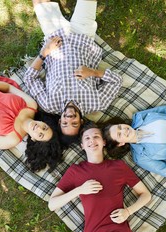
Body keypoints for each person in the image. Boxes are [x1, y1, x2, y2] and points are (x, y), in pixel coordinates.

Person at [24, 0, 122, 145]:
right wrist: (93, 72)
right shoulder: (96, 103)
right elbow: (117, 80)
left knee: (39, 2)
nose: (69, 118)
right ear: (81, 121)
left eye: (65, 123)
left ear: (59, 121)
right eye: (74, 123)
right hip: (83, 37)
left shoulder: (49, 104)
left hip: (54, 38)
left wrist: (44, 52)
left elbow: (29, 79)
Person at [48, 123, 151, 232]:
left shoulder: (118, 166)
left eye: (96, 136)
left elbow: (146, 194)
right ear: (82, 146)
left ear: (103, 142)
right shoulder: (75, 171)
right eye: (87, 138)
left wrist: (128, 211)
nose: (92, 140)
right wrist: (80, 190)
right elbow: (52, 204)